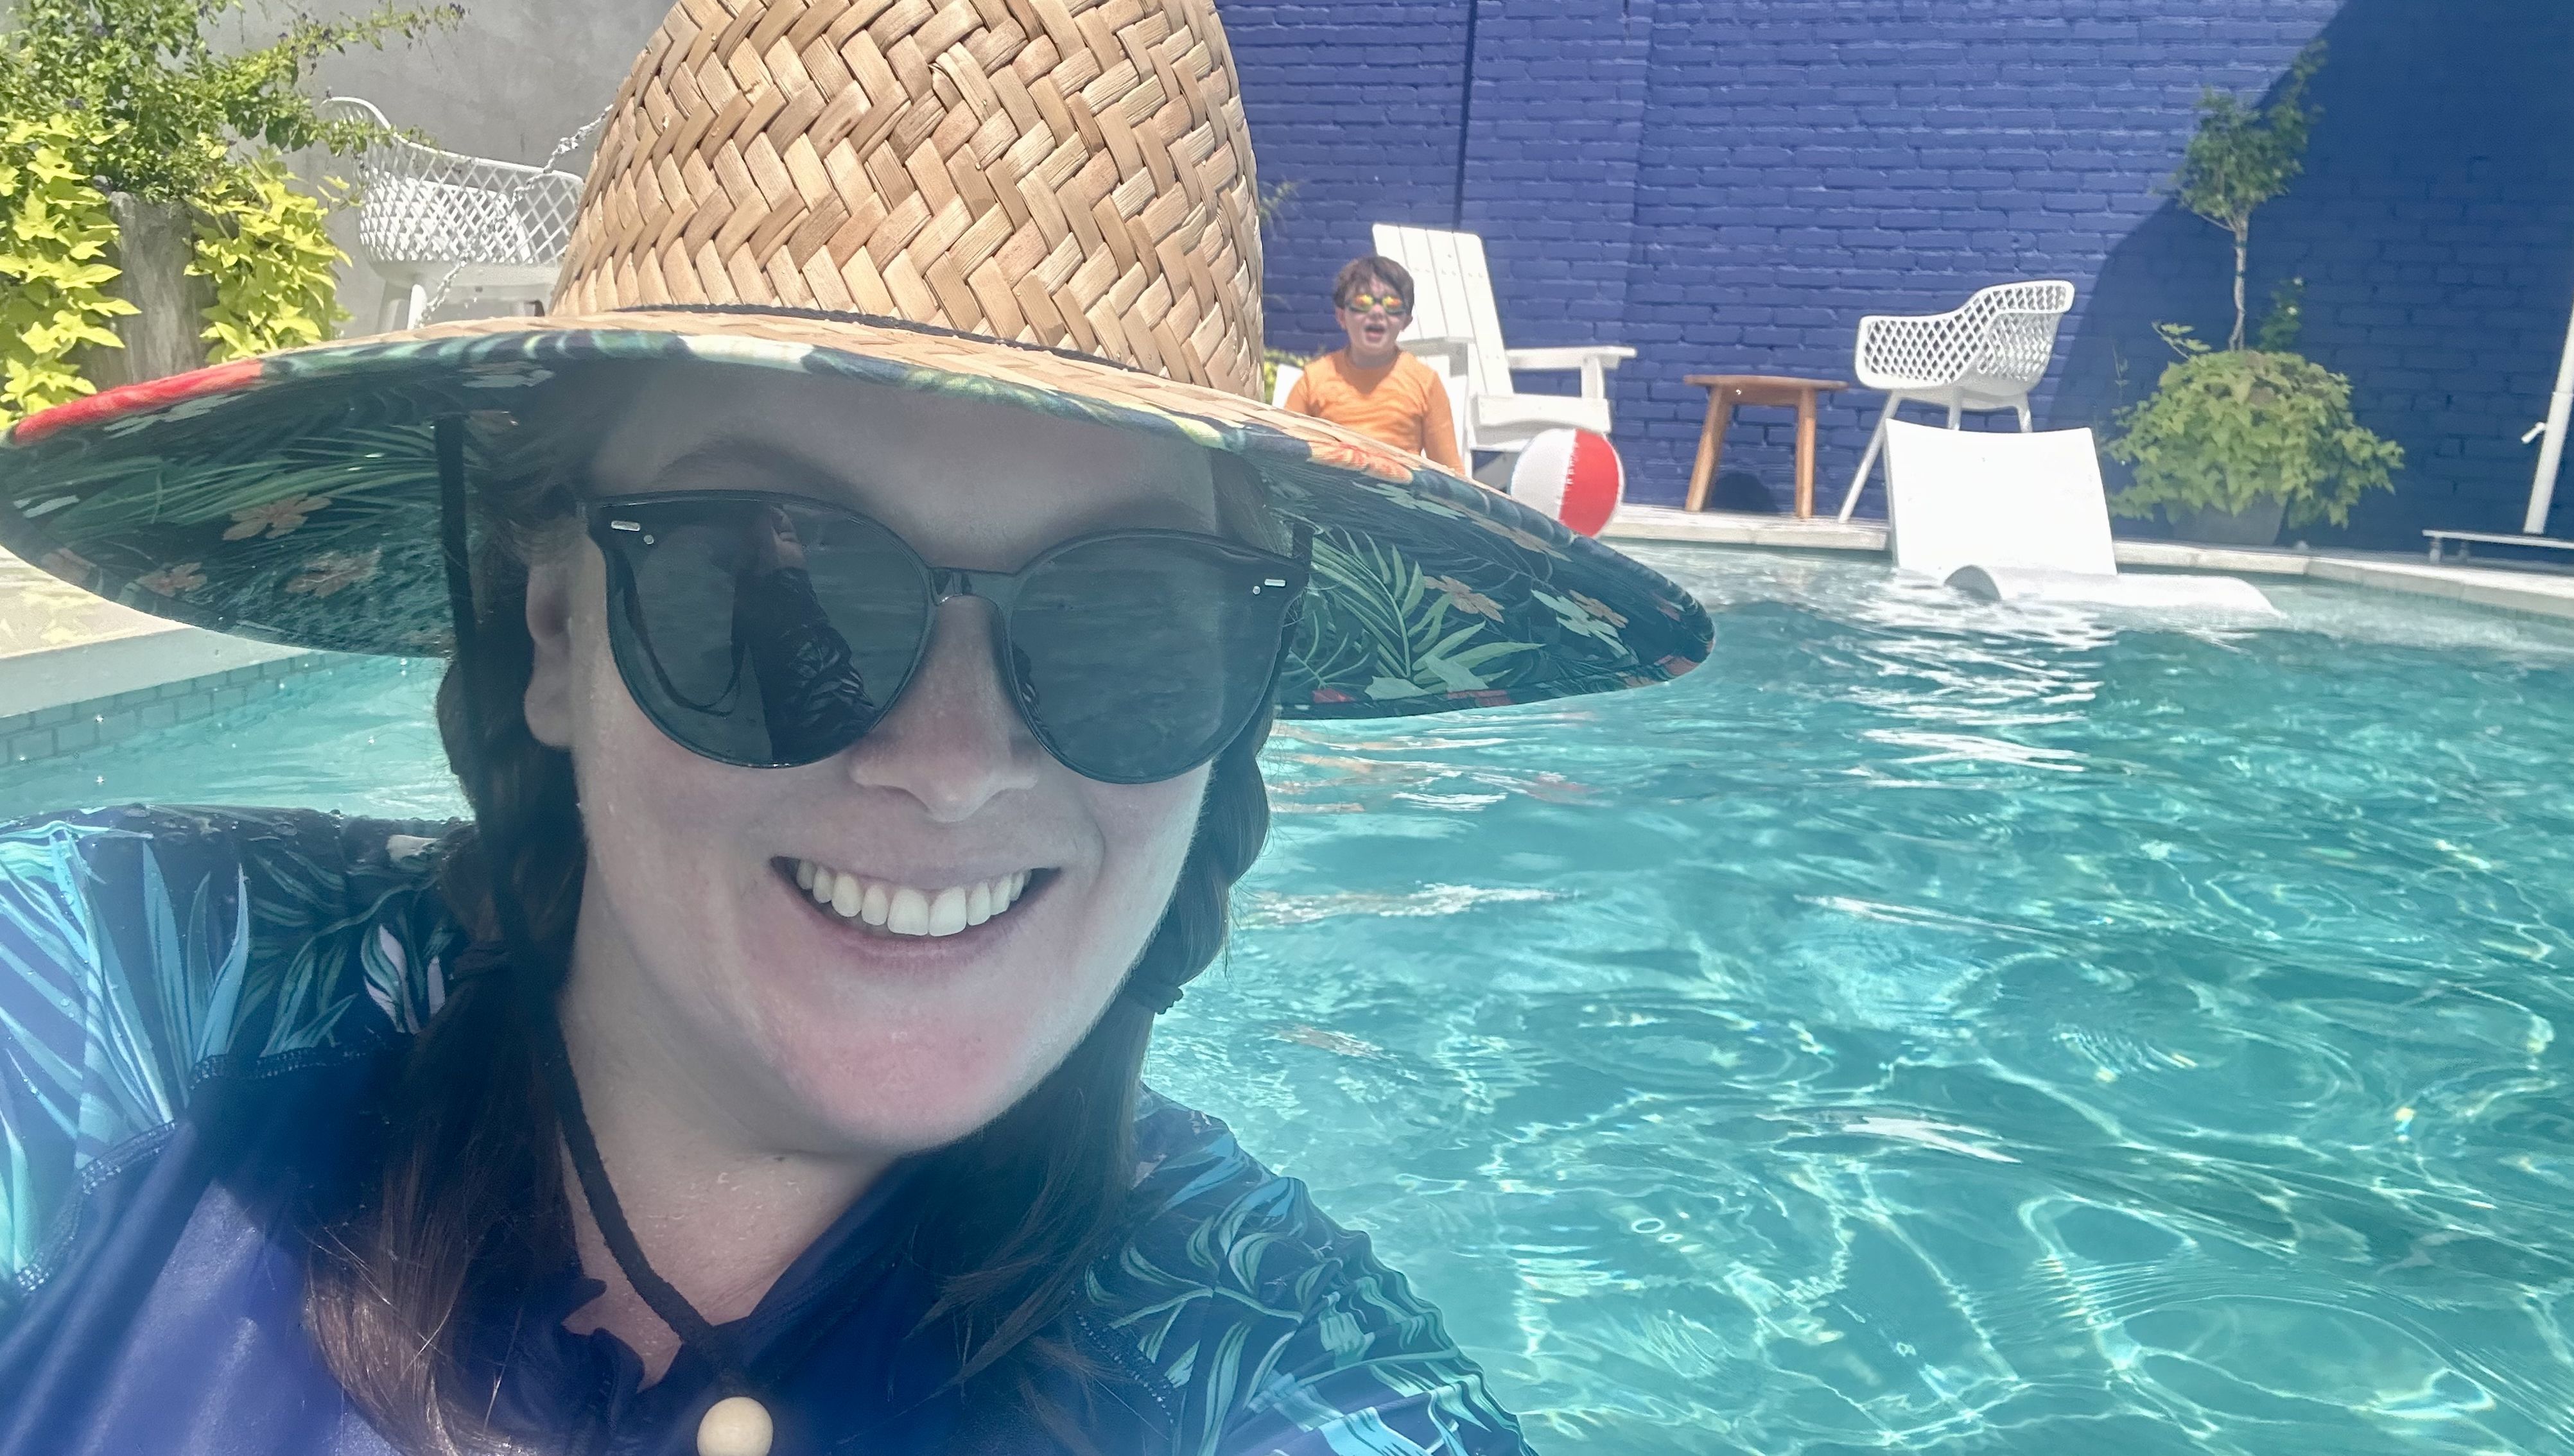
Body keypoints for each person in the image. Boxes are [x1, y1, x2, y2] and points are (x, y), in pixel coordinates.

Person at [0, 0, 1712, 1452]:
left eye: (1124, 622)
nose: (951, 763)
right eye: (773, 591)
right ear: (550, 631)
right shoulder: (126, 999)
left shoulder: (1274, 1367)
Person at [1283, 256, 1468, 475]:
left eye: (1392, 305)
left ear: (1406, 321)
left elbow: (1451, 473)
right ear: (1342, 316)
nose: (1378, 312)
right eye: (1363, 303)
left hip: (1399, 499)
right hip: (1331, 494)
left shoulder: (1424, 383)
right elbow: (1285, 454)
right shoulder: (1315, 379)